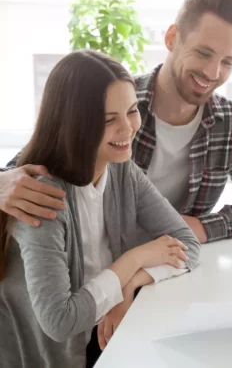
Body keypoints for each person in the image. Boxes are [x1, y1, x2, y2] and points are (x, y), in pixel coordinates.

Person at [0, 0, 232, 244]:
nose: (213, 73)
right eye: (203, 53)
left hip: (166, 270)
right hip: (94, 273)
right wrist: (2, 183)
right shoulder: (111, 103)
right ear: (172, 38)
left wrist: (205, 227)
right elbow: (22, 166)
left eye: (227, 62)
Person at [0, 50, 202, 368]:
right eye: (109, 120)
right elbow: (60, 322)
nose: (128, 129)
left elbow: (186, 244)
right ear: (74, 124)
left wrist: (129, 285)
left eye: (132, 111)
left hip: (108, 333)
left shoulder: (121, 170)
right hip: (61, 354)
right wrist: (132, 260)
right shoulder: (42, 194)